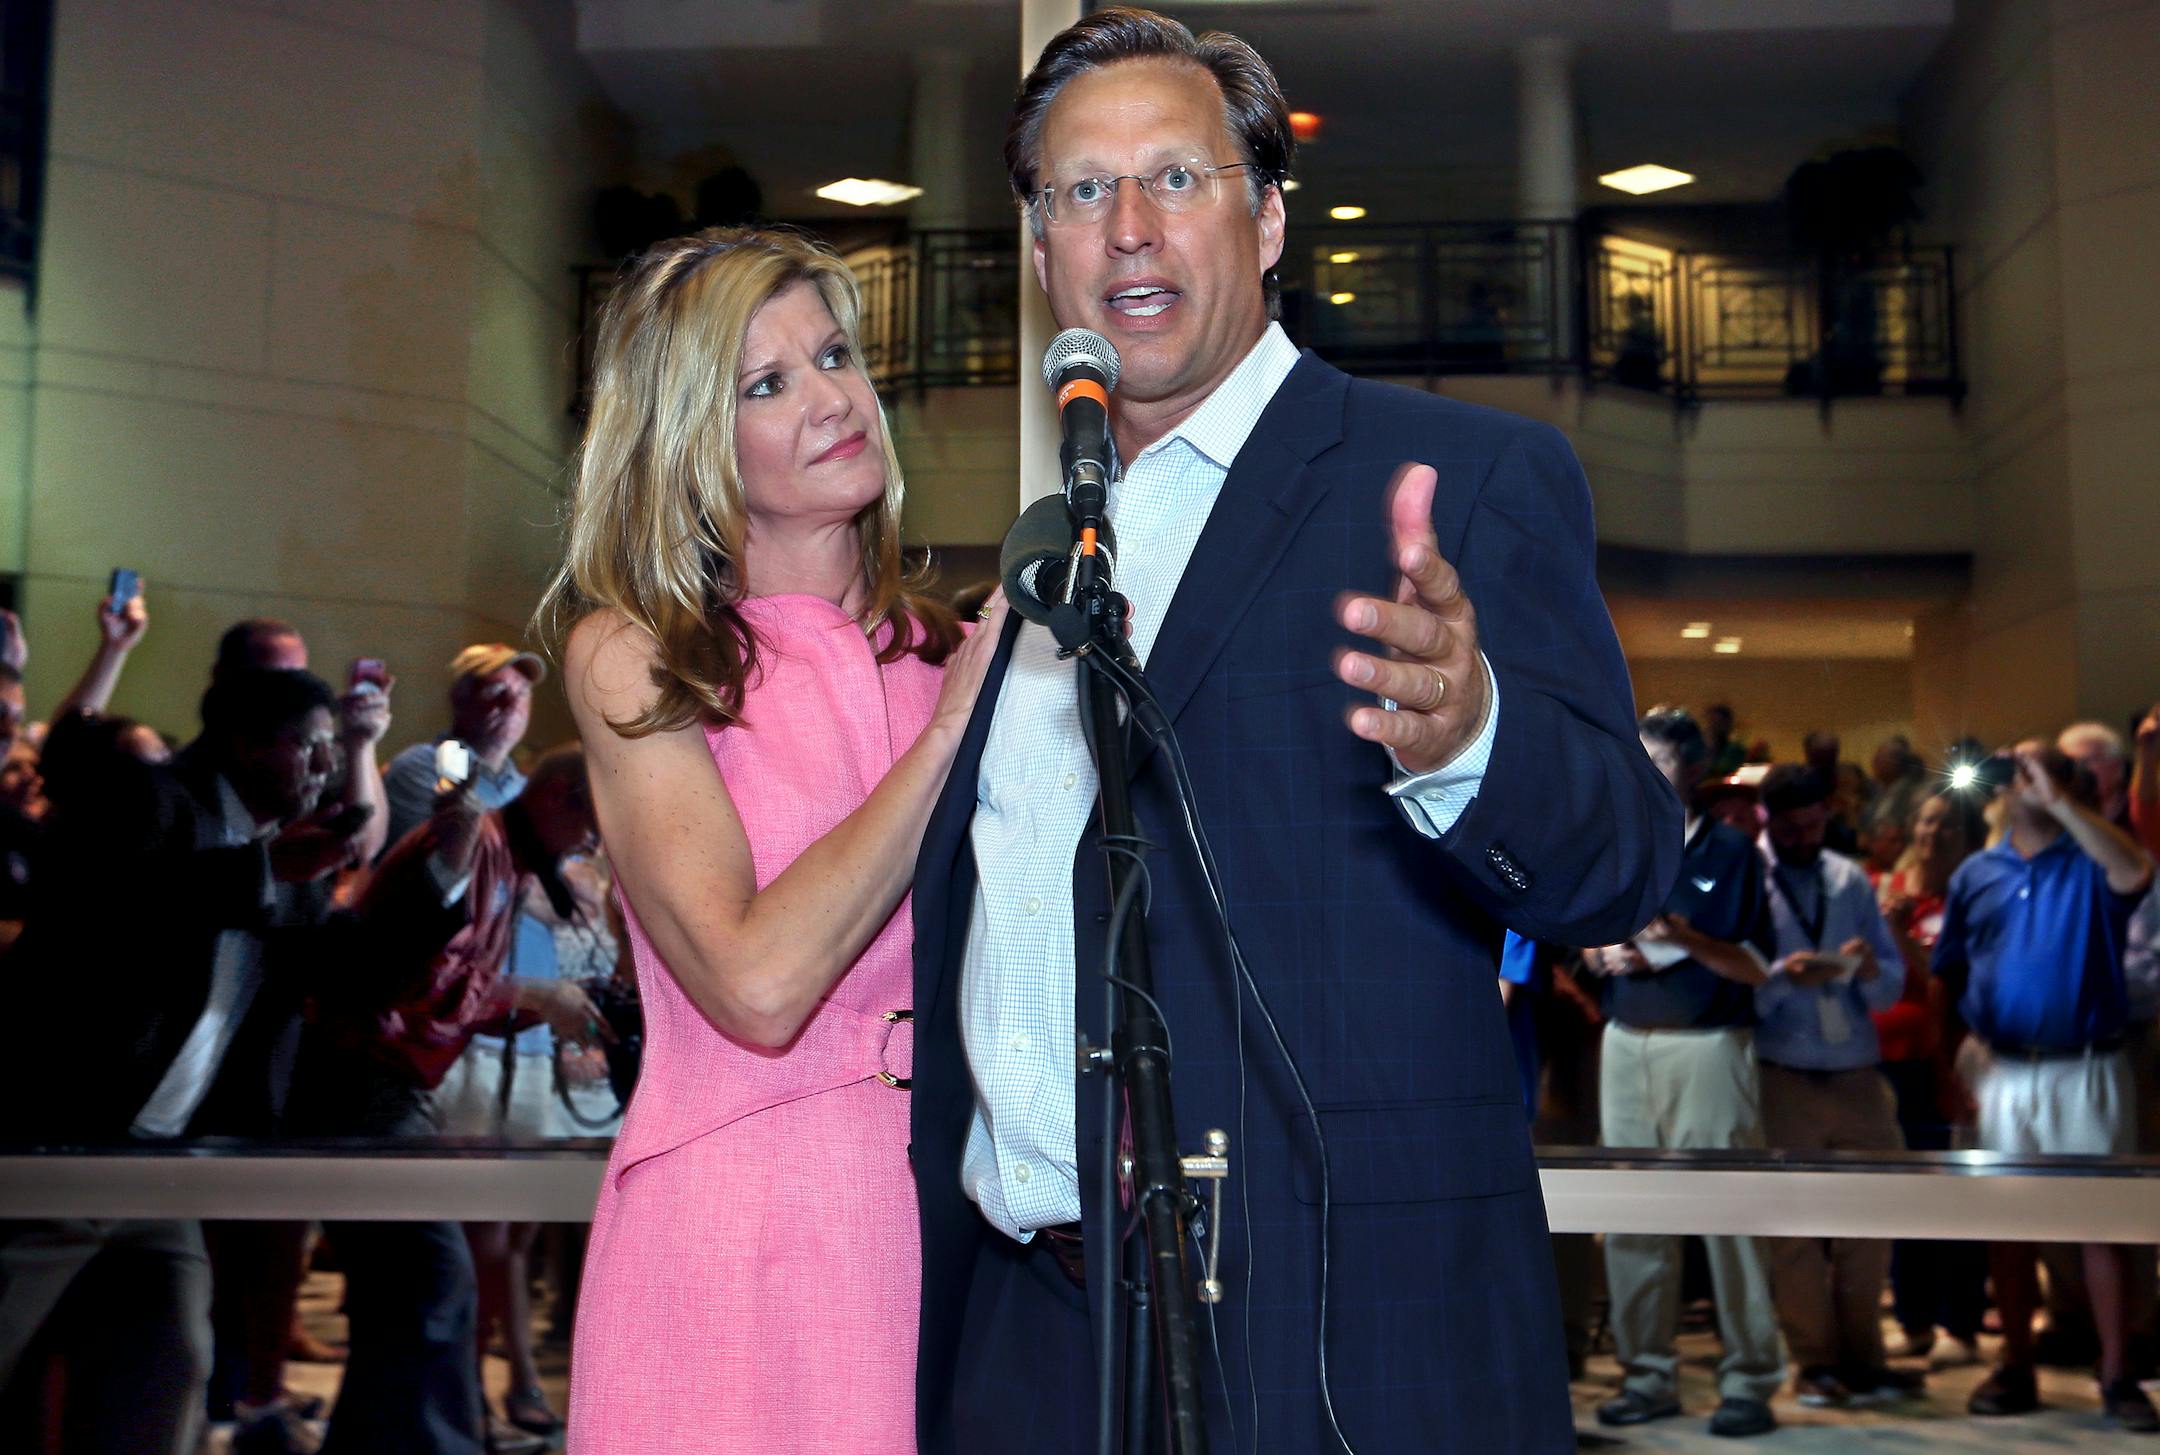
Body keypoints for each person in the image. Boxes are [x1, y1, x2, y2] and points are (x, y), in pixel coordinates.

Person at [909, 14, 1680, 1451]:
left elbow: (1624, 863)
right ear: (1037, 250)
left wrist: (1469, 736)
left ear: (1267, 220)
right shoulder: (1038, 562)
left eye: (1176, 179)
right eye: (1079, 191)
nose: (1127, 227)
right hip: (1030, 1339)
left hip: (1332, 1334)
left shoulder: (1460, 481)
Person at [543, 227, 1002, 1453]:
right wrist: (955, 732)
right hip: (741, 1239)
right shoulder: (638, 655)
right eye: (767, 383)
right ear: (695, 440)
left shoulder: (951, 657)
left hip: (959, 1229)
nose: (832, 398)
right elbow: (754, 982)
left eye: (835, 355)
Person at [0, 667, 352, 1455]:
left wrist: (445, 877)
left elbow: (341, 968)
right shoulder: (152, 798)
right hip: (58, 1144)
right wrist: (265, 872)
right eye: (315, 745)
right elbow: (95, 905)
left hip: (158, 1172)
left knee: (168, 1365)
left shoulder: (284, 852)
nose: (328, 765)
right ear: (248, 743)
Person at [284, 745, 611, 1455]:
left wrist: (530, 1002)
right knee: (435, 1280)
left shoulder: (504, 856)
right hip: (362, 1076)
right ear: (558, 795)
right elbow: (413, 979)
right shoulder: (470, 843)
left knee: (402, 1297)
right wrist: (531, 995)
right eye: (596, 820)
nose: (596, 842)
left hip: (381, 1079)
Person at [1933, 742, 2157, 1430]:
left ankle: (2117, 1370)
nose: (2018, 776)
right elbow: (1949, 970)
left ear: (2066, 784)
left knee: (2100, 1225)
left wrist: (2061, 802)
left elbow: (2137, 869)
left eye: (2038, 766)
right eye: (2013, 768)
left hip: (2085, 1064)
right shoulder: (1977, 871)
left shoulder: (2092, 858)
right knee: (2008, 1225)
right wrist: (1947, 1068)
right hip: (2003, 1066)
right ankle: (2016, 1363)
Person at [1586, 709, 1785, 1438]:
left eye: (1661, 762)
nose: (1645, 773)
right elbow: (1587, 931)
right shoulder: (1619, 837)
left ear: (1694, 774)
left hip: (1707, 1045)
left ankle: (1750, 1377)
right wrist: (1601, 952)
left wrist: (1681, 939)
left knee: (1730, 1216)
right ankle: (1647, 1375)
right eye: (1636, 758)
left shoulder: (1732, 851)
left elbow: (1756, 965)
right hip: (1625, 1040)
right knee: (1634, 1219)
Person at [1748, 765, 1914, 1408]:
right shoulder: (1747, 875)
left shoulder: (1847, 877)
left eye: (1815, 823)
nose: (1804, 835)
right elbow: (1737, 988)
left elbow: (1890, 986)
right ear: (1768, 820)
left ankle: (1864, 1359)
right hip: (1781, 1068)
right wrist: (1786, 978)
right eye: (1791, 827)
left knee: (1872, 1221)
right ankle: (1815, 1363)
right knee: (1791, 1230)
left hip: (1854, 1070)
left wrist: (1868, 969)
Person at [1876, 790, 1990, 1370]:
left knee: (1952, 1195)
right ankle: (1913, 1319)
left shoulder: (1971, 899)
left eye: (1946, 826)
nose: (1931, 833)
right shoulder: (1888, 893)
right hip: (1885, 1062)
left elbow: (1948, 982)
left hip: (1941, 1061)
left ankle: (1960, 1324)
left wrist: (1899, 940)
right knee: (1903, 1194)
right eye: (1924, 821)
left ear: (1968, 839)